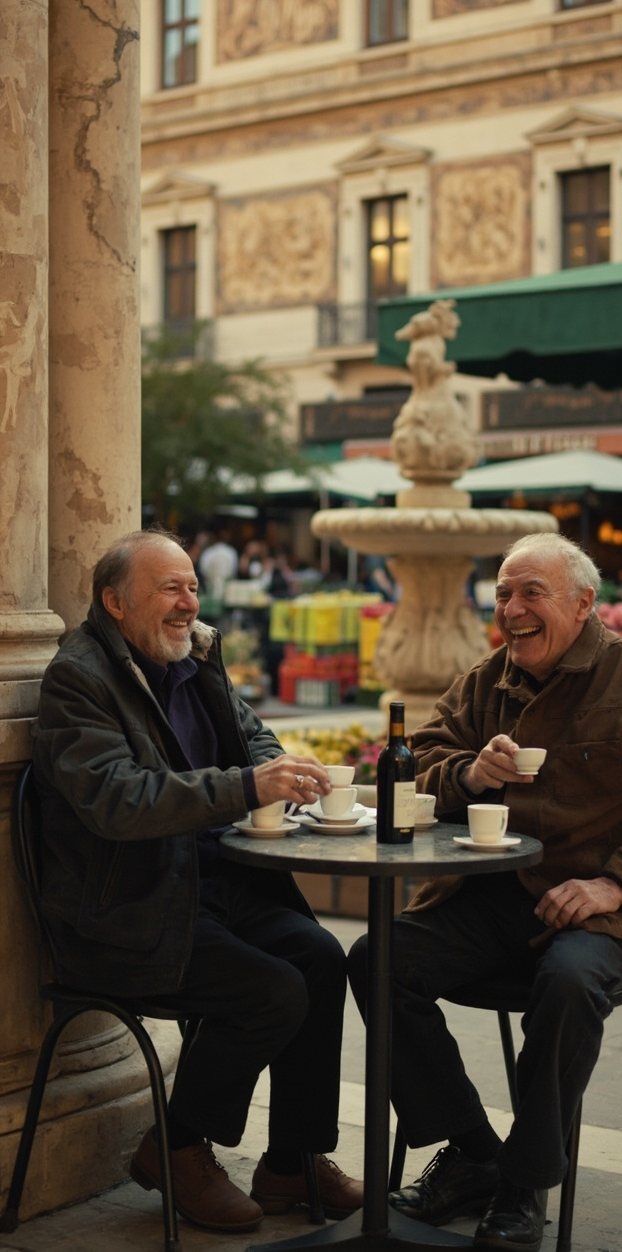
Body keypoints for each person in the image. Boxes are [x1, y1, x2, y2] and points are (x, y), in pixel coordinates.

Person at [347, 532, 622, 1252]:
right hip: (498, 901)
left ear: (583, 604)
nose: (511, 610)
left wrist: (617, 883)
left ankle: (525, 1183)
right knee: (377, 958)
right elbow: (417, 760)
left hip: (615, 917)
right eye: (503, 595)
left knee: (568, 981)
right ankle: (472, 1151)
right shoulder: (487, 680)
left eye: (530, 594)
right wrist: (469, 774)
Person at [32, 528, 362, 1236]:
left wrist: (280, 772)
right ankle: (176, 1147)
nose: (189, 603)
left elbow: (254, 740)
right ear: (115, 602)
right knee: (274, 990)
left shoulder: (196, 657)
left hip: (211, 886)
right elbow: (118, 799)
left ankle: (292, 1161)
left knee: (322, 958)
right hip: (130, 910)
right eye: (170, 589)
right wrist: (246, 786)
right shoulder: (79, 678)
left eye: (192, 586)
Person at [197, 524, 239, 602]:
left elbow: (203, 572)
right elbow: (233, 572)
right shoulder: (231, 552)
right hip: (223, 594)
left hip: (213, 591)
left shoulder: (207, 552)